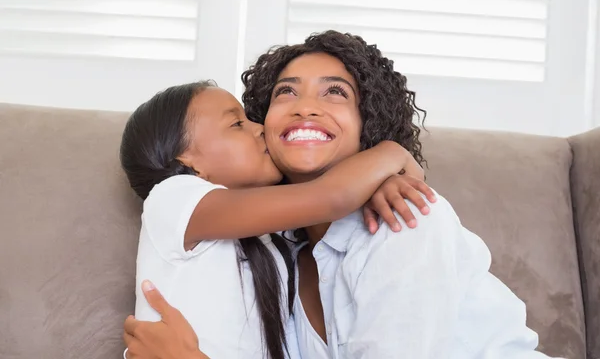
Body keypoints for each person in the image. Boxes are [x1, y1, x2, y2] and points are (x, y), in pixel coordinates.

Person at [124, 31, 559, 358]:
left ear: (367, 121)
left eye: (336, 92)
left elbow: (333, 197)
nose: (305, 106)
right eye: (285, 92)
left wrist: (391, 153)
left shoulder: (404, 216)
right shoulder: (275, 257)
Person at [120, 80, 435, 359]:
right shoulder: (172, 198)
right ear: (188, 161)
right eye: (237, 124)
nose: (258, 128)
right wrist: (393, 153)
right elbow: (329, 197)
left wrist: (385, 183)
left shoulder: (272, 239)